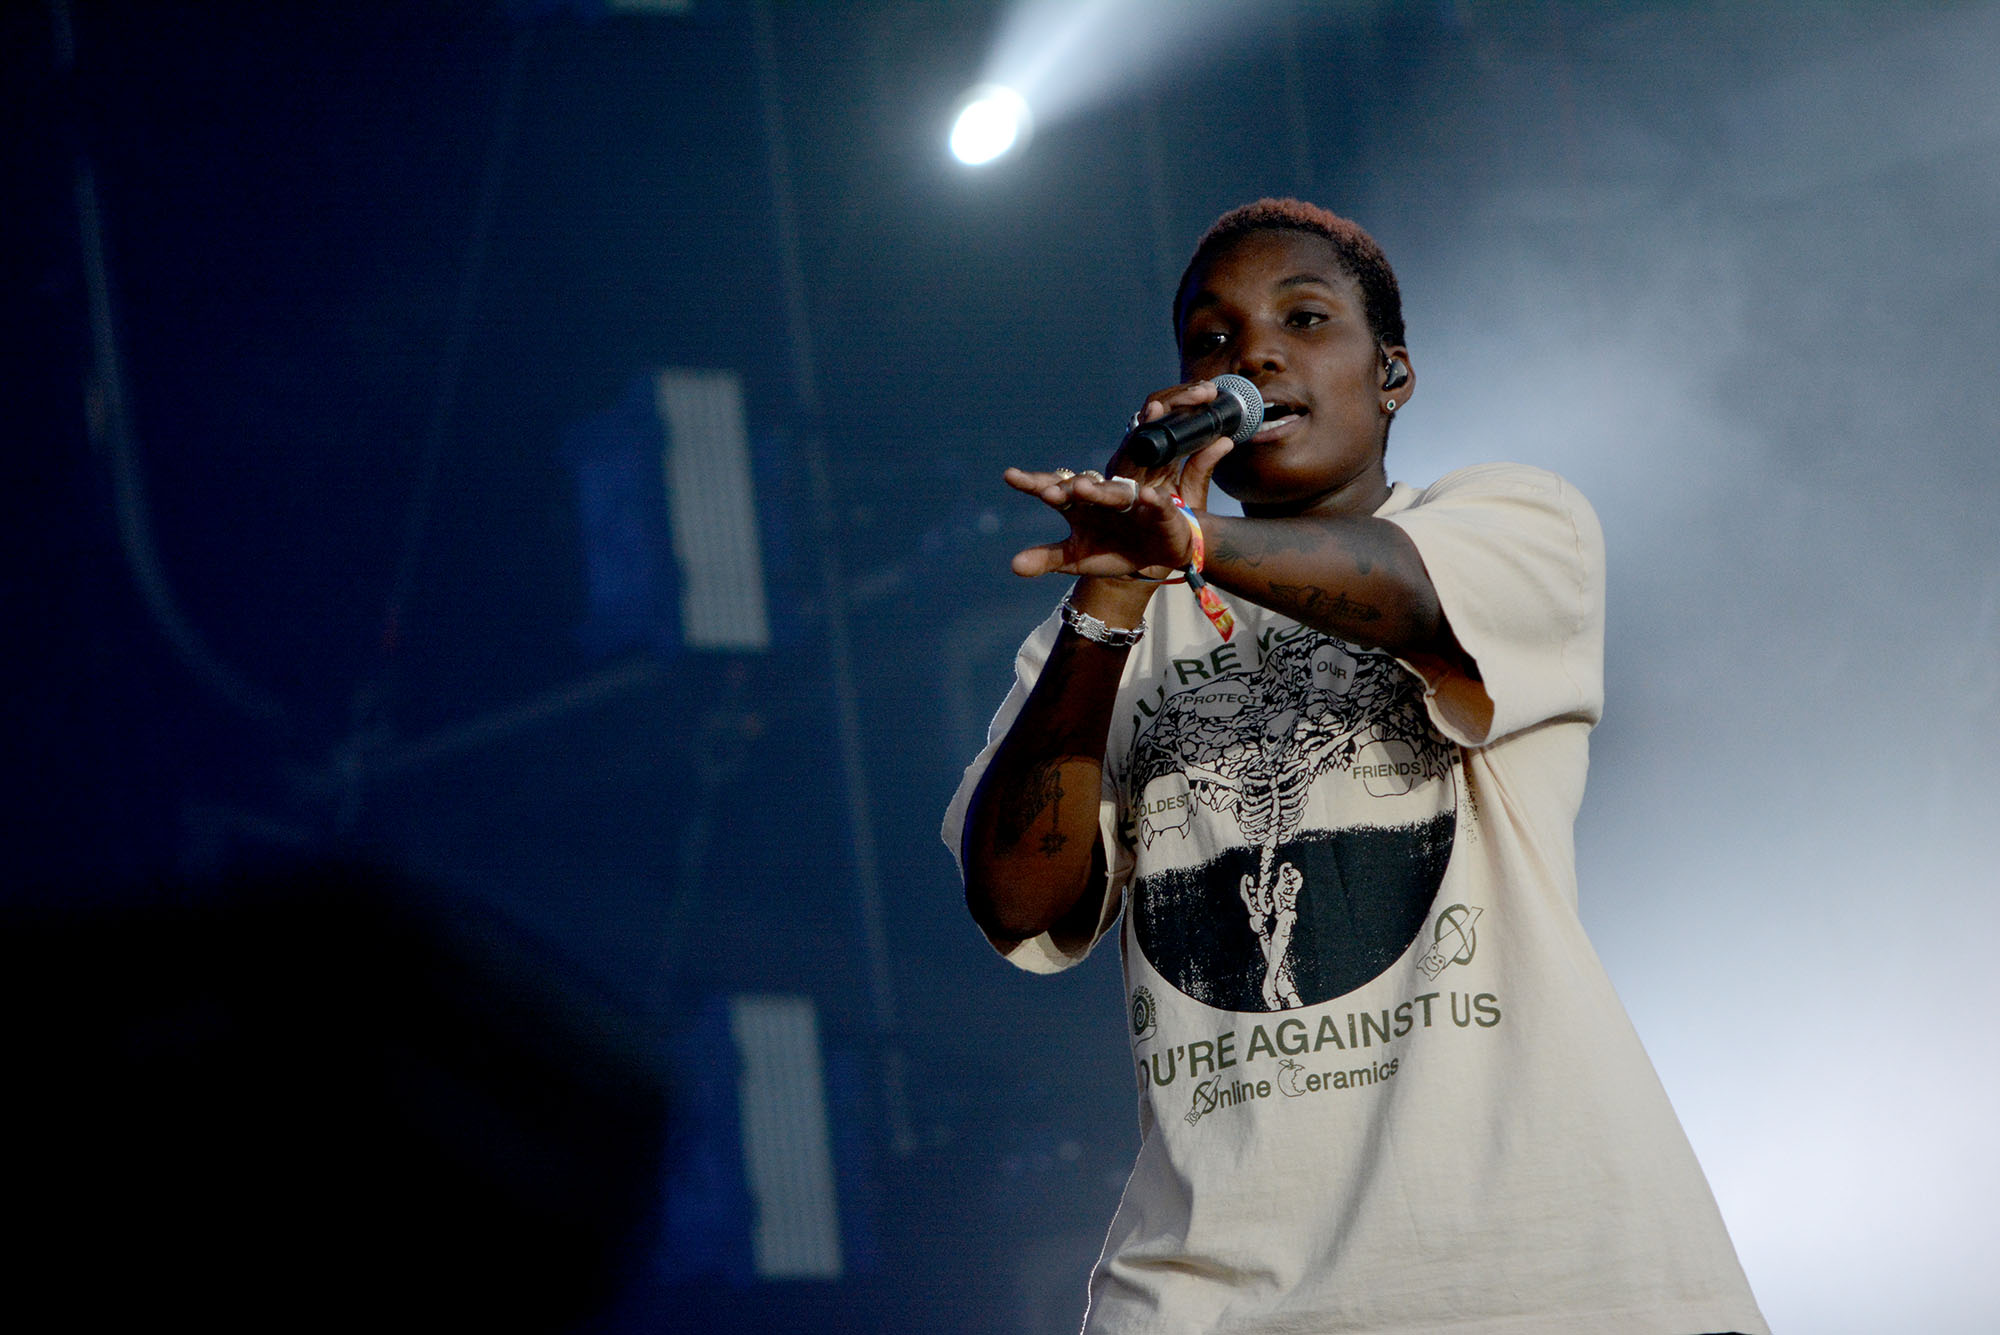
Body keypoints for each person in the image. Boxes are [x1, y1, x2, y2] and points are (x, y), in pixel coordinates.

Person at [942, 199, 1767, 1334]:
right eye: (1212, 339)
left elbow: (1407, 590)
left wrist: (1190, 544)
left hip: (1553, 1276)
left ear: (1393, 376)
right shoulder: (1104, 638)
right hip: (1212, 1300)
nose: (1254, 354)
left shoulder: (1513, 520)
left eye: (1304, 318)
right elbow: (1016, 901)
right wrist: (1110, 600)